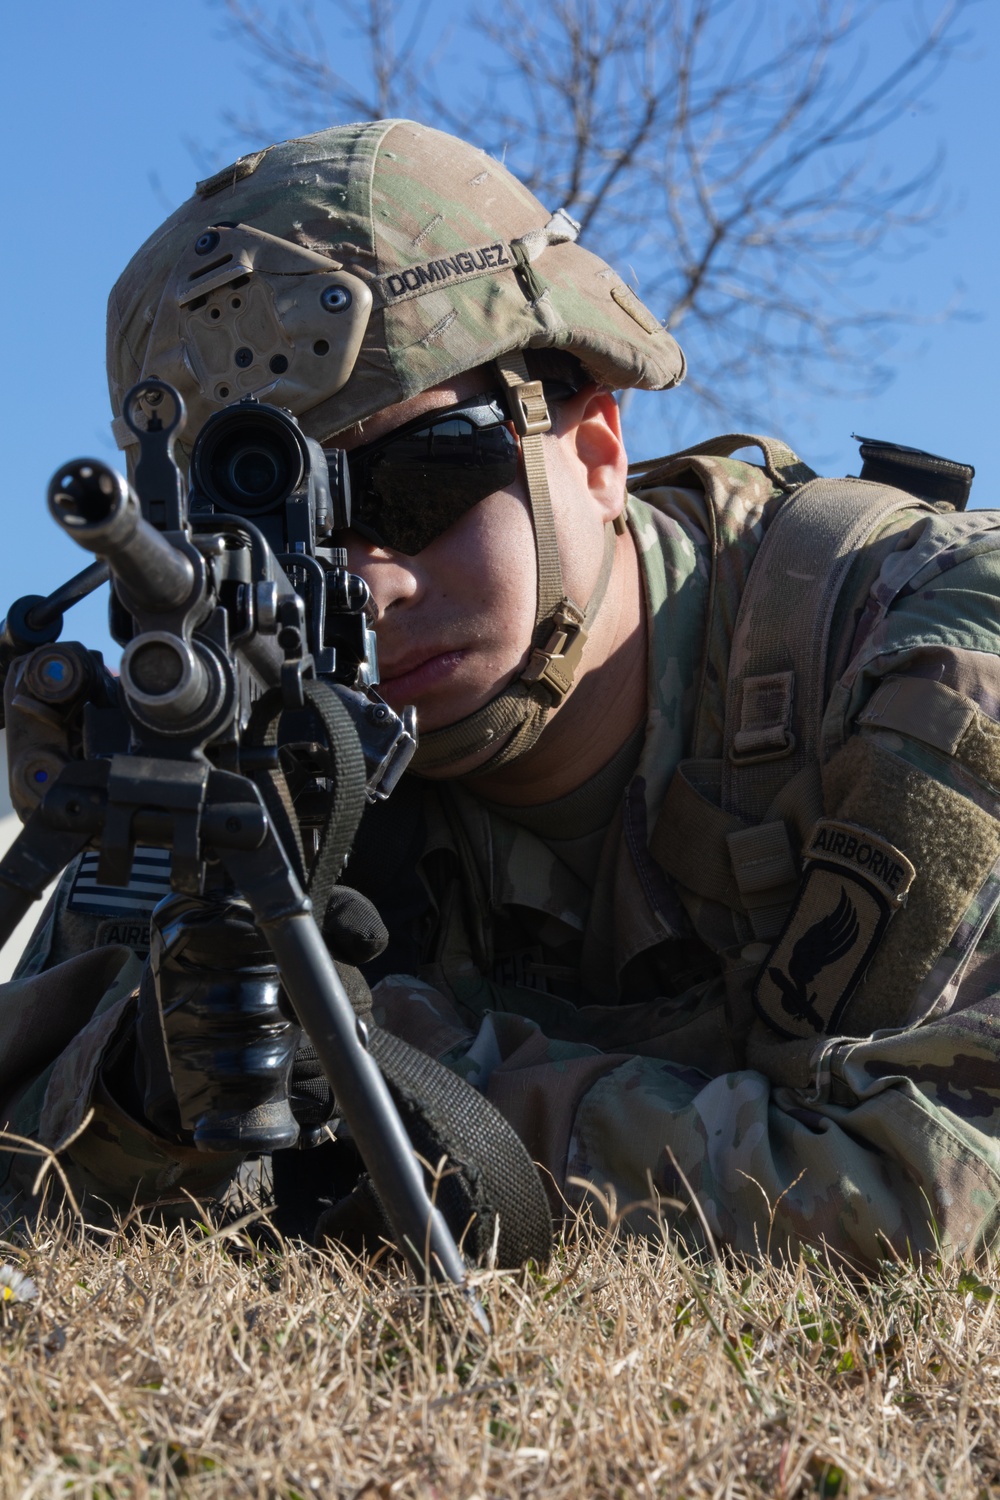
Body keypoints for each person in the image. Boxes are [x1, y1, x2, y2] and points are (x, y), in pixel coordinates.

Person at [2, 118, 999, 1270]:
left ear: (591, 445)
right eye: (280, 539)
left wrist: (417, 1089)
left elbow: (936, 1198)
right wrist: (149, 1092)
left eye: (416, 480)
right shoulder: (245, 740)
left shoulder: (924, 646)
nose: (365, 583)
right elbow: (31, 1167)